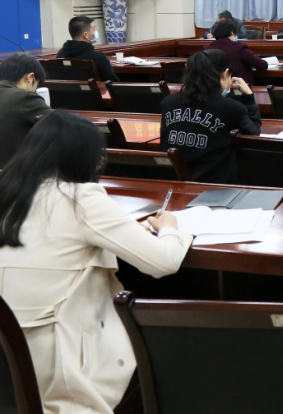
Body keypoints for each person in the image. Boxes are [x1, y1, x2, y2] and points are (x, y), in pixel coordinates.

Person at [0, 111, 192, 414]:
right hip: (58, 367)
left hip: (9, 369)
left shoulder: (7, 191)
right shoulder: (80, 198)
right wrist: (170, 228)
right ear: (83, 158)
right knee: (174, 346)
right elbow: (163, 262)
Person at [160, 49, 262, 184]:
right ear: (225, 74)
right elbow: (254, 135)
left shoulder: (168, 103)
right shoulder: (231, 108)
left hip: (174, 184)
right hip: (217, 186)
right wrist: (249, 97)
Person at [0, 54, 50, 166]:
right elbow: (62, 126)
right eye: (35, 86)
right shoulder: (24, 97)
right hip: (11, 173)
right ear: (30, 78)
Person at [204, 19, 269, 85]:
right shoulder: (239, 47)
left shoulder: (207, 48)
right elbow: (262, 65)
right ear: (232, 33)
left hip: (214, 87)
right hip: (238, 88)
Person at [58, 16, 119, 82]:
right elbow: (113, 83)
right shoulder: (98, 57)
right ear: (86, 35)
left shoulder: (60, 54)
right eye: (94, 29)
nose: (95, 31)